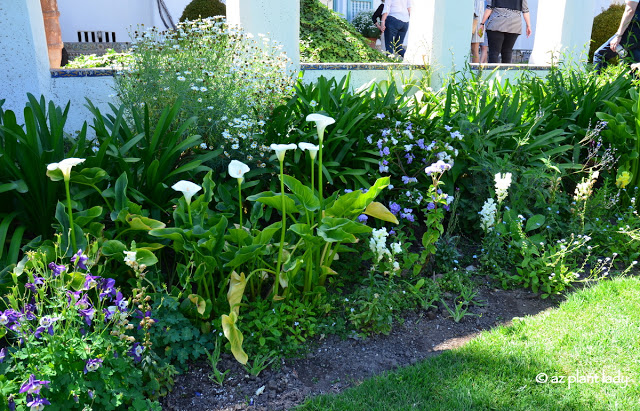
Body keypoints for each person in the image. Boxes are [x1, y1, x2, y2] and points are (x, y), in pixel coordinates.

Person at [593, 0, 640, 72]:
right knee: (633, 63)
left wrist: (618, 35)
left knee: (600, 55)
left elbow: (630, 10)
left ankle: (598, 82)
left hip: (632, 31)